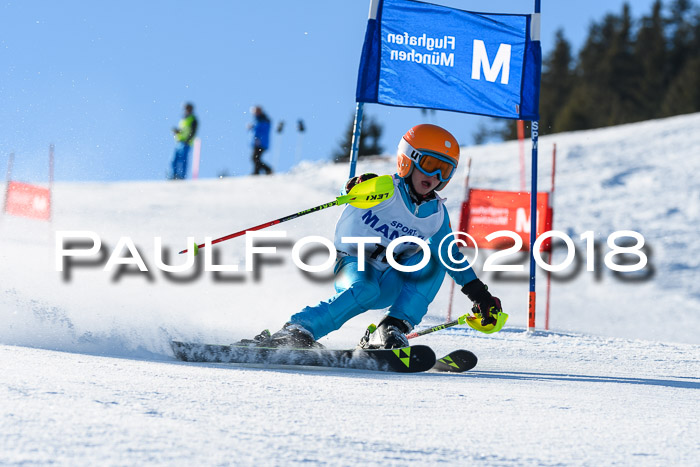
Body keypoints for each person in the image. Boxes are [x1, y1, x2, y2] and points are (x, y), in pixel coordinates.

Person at [245, 124, 503, 349]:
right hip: (353, 264)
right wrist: (357, 184)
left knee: (436, 259)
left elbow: (451, 256)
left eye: (444, 170)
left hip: (391, 278)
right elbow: (350, 192)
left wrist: (480, 295)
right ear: (408, 159)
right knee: (366, 288)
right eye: (430, 165)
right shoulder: (384, 188)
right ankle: (298, 330)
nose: (435, 177)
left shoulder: (436, 214)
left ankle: (391, 328)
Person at [170, 102, 198, 180]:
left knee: (183, 160)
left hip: (186, 143)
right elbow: (183, 130)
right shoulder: (183, 119)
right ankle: (173, 175)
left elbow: (193, 132)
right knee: (174, 160)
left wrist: (188, 140)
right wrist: (177, 132)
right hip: (179, 142)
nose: (186, 110)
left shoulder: (193, 119)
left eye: (188, 108)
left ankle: (182, 176)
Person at [248, 106, 273, 175]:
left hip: (260, 142)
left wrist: (257, 137)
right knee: (256, 158)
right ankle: (257, 172)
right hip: (259, 142)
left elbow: (260, 130)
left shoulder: (263, 120)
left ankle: (268, 169)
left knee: (255, 158)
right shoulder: (258, 119)